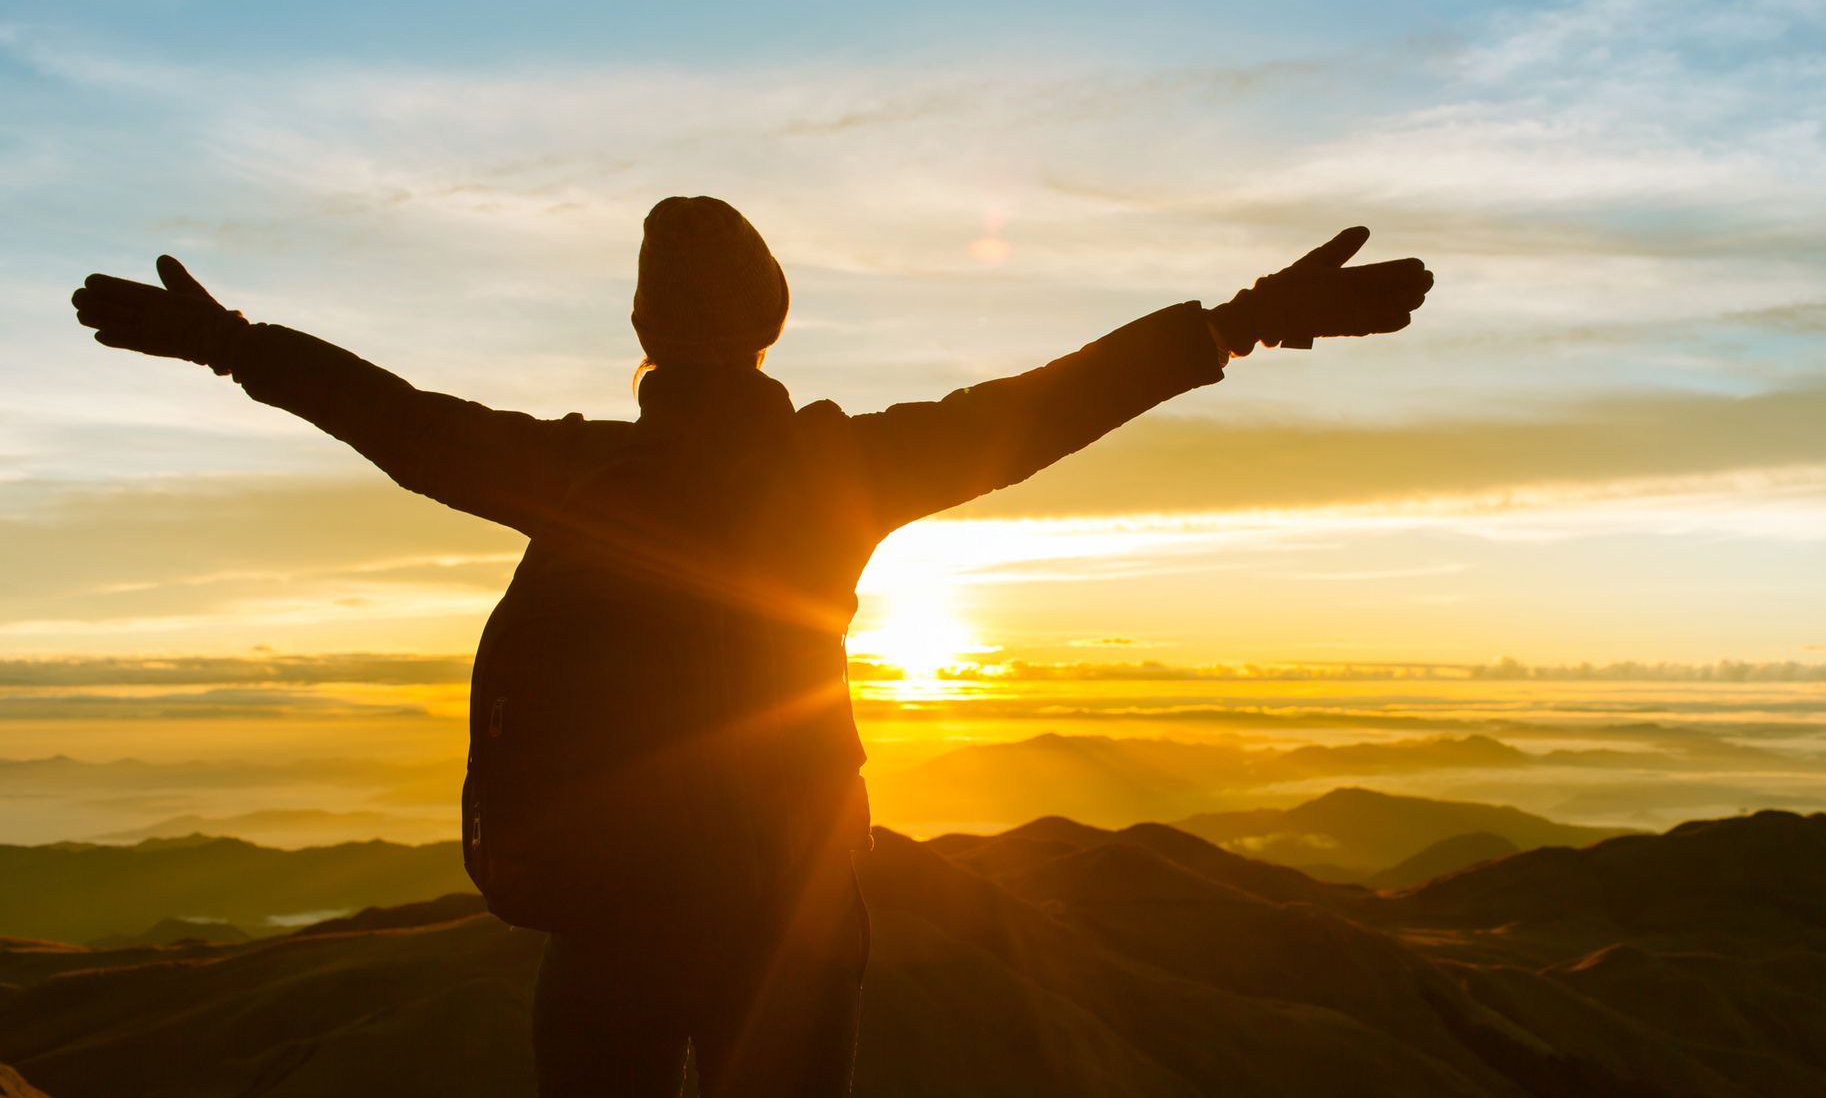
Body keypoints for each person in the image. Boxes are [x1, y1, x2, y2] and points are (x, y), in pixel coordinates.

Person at [71, 197, 1432, 1096]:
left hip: (612, 906)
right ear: (773, 325)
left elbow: (398, 418)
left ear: (645, 333)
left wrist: (230, 345)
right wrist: (1243, 318)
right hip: (793, 907)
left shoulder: (577, 477)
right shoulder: (842, 469)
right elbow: (1042, 409)